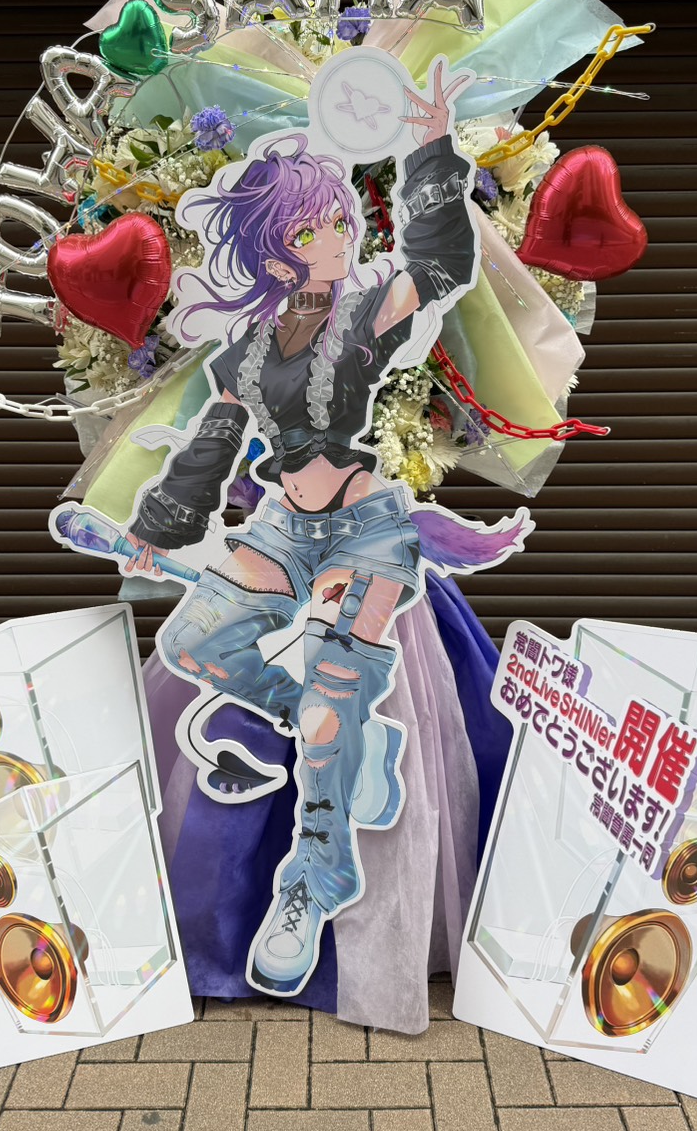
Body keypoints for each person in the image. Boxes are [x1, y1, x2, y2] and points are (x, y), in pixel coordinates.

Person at [123, 61, 525, 997]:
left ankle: (315, 872)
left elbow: (438, 263)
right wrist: (162, 526)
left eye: (339, 221)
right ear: (276, 254)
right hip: (280, 527)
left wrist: (432, 148)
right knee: (194, 640)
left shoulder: (363, 314)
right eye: (312, 229)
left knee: (332, 692)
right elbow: (210, 446)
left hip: (366, 532)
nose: (339, 237)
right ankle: (341, 739)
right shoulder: (244, 350)